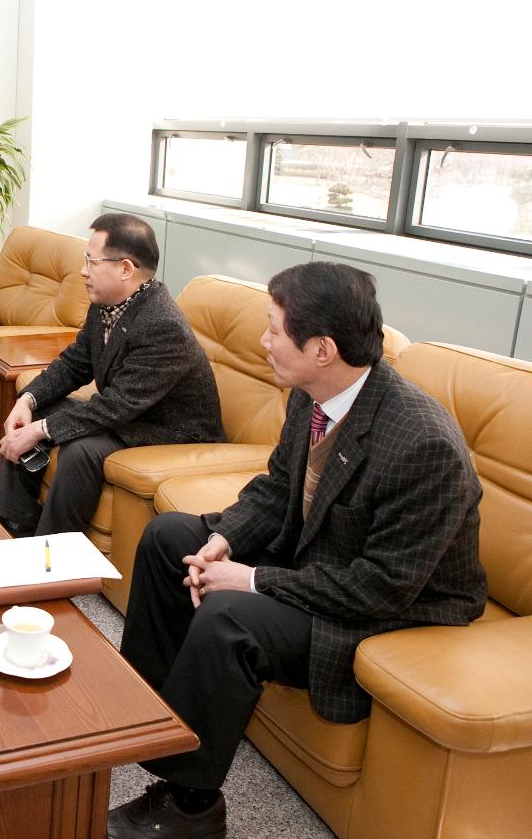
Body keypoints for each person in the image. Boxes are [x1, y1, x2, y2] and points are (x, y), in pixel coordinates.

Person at [107, 262, 486, 839]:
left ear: (323, 349)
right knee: (170, 539)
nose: (263, 341)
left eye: (274, 329)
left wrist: (252, 580)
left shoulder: (422, 443)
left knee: (229, 615)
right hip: (325, 559)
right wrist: (223, 538)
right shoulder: (312, 397)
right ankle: (155, 719)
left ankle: (190, 806)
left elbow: (380, 588)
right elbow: (276, 487)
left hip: (396, 607)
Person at [0, 213, 224, 537]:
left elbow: (118, 405)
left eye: (92, 262)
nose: (83, 271)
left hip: (168, 432)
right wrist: (28, 400)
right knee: (34, 412)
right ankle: (12, 523)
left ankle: (52, 554)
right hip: (132, 415)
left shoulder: (163, 325)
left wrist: (43, 431)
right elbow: (73, 364)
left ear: (125, 268)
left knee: (81, 449)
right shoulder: (106, 305)